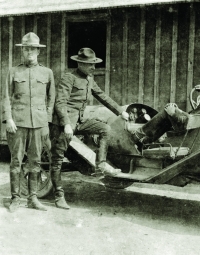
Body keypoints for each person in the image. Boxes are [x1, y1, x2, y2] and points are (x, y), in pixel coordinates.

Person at [50, 48, 129, 210]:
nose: (93, 67)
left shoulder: (89, 79)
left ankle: (100, 165)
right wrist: (65, 124)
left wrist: (121, 111)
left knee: (105, 129)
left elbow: (103, 96)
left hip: (79, 122)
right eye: (89, 64)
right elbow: (60, 103)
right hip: (63, 125)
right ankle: (59, 196)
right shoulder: (69, 78)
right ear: (79, 63)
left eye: (94, 64)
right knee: (57, 161)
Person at [2, 32, 55, 212]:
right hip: (17, 123)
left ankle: (33, 198)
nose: (29, 52)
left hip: (39, 124)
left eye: (33, 49)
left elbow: (51, 98)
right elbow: (6, 97)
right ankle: (15, 198)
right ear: (22, 51)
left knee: (36, 162)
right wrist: (8, 118)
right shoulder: (13, 71)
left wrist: (46, 121)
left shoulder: (47, 72)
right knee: (16, 161)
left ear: (38, 51)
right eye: (26, 49)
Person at [130, 70, 200, 144]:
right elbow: (195, 115)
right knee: (170, 111)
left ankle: (139, 134)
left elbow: (190, 121)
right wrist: (178, 110)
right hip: (197, 129)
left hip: (190, 131)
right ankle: (146, 141)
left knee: (166, 111)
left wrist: (173, 113)